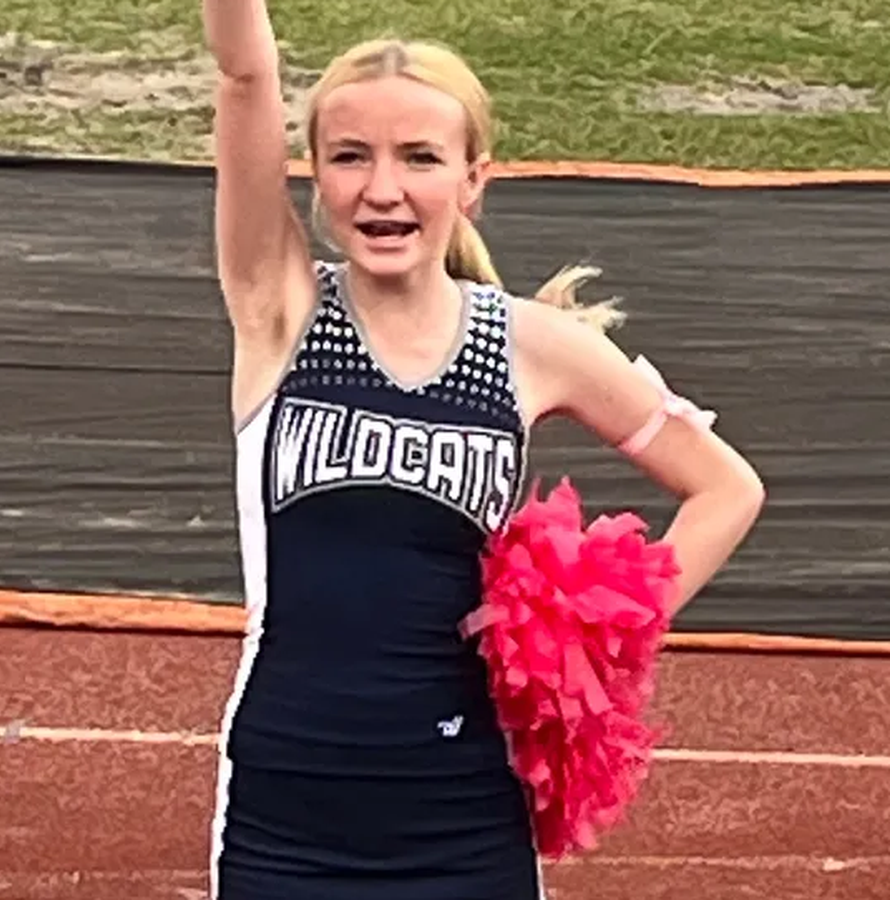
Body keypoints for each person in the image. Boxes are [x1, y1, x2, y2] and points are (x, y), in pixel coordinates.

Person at [202, 2, 767, 898]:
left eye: (420, 158)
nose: (383, 189)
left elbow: (726, 489)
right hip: (283, 816)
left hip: (467, 819)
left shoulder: (532, 345)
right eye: (350, 156)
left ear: (473, 179)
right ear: (313, 174)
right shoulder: (280, 312)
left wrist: (598, 635)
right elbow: (245, 74)